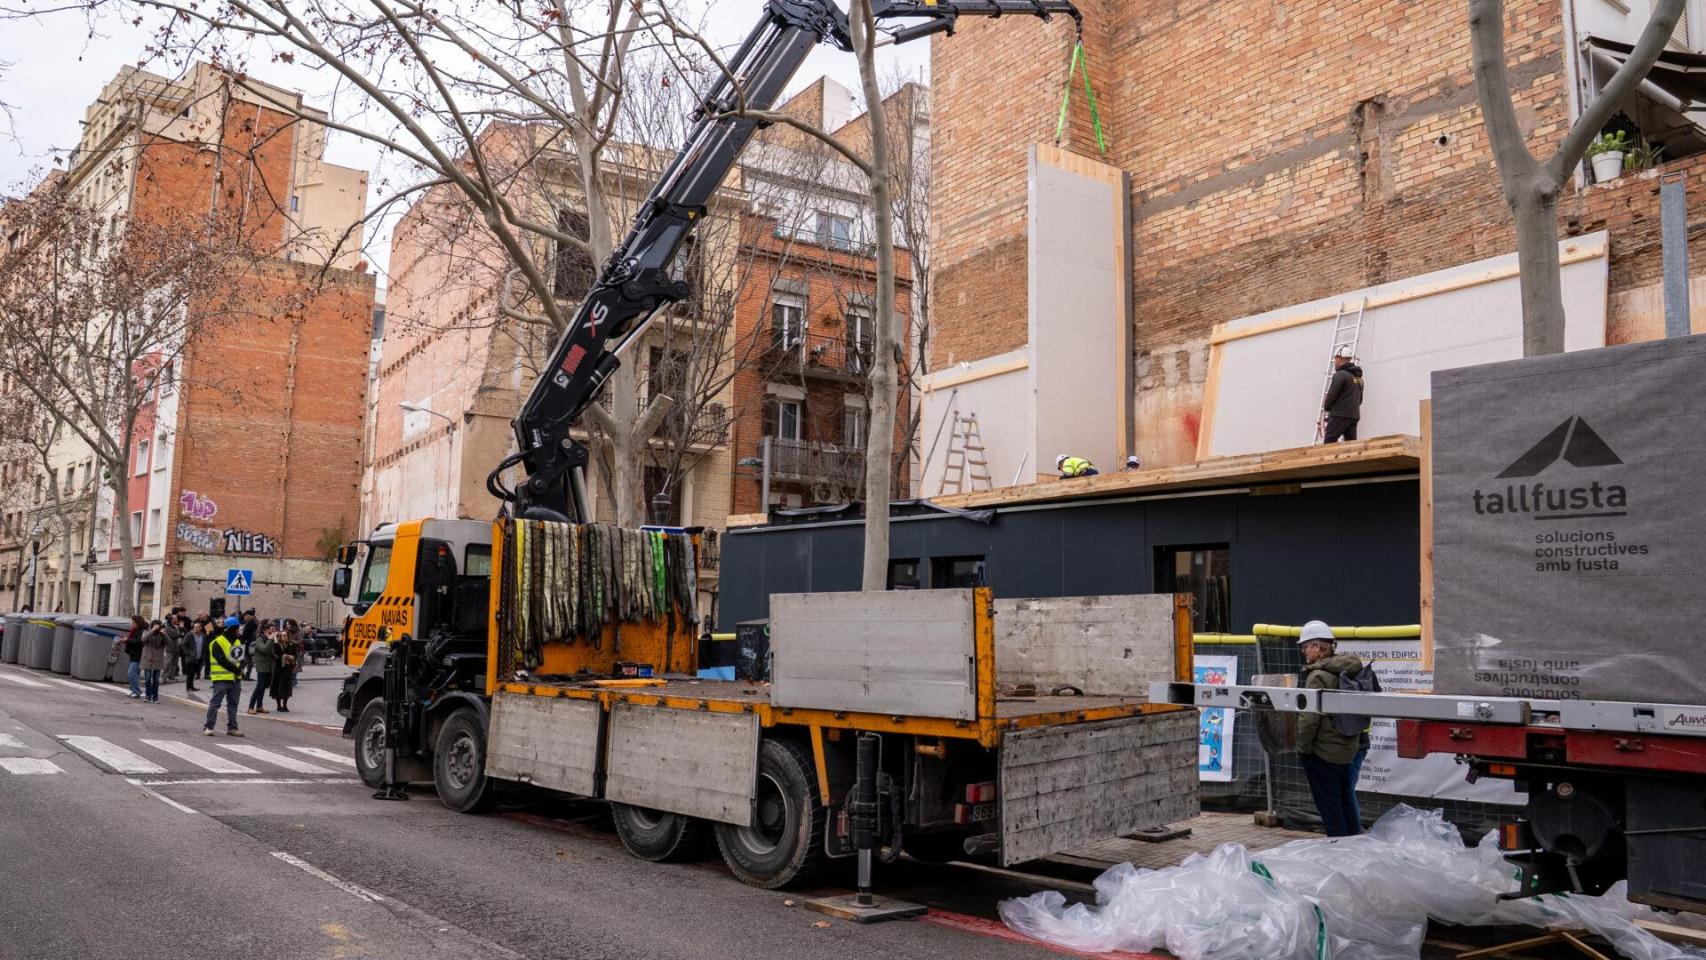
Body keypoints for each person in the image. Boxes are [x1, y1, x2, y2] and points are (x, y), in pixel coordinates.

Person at [1295, 620, 1370, 837]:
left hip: (1323, 752)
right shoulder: (1347, 669)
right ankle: (1352, 843)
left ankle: (1338, 848)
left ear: (1318, 647)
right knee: (1345, 799)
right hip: (1346, 749)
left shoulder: (1318, 676)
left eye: (1306, 646)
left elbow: (1309, 720)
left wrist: (1304, 747)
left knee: (1329, 806)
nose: (1303, 651)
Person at [202, 616, 246, 737]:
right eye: (238, 628)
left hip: (235, 679)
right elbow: (222, 660)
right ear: (232, 629)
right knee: (215, 704)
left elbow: (238, 659)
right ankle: (208, 726)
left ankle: (232, 728)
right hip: (221, 679)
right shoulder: (217, 642)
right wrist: (237, 669)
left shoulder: (237, 642)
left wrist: (242, 664)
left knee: (233, 704)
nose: (239, 631)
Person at [1321, 346, 1364, 443]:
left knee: (1329, 442)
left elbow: (1332, 395)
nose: (1334, 361)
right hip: (1354, 416)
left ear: (1340, 359)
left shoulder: (1340, 375)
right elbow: (1360, 400)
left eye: (1335, 359)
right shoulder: (1359, 379)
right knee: (1351, 445)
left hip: (1339, 415)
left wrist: (1327, 407)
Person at [247, 622, 279, 715]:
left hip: (269, 666)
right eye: (271, 630)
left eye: (274, 630)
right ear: (265, 630)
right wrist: (270, 640)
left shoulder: (272, 639)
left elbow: (273, 651)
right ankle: (250, 707)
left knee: (264, 687)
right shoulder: (260, 638)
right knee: (259, 686)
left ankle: (259, 706)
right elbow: (264, 650)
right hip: (262, 666)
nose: (273, 632)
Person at [272, 620, 301, 713]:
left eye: (285, 635)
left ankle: (285, 704)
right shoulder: (276, 645)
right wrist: (284, 657)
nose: (284, 637)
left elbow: (295, 654)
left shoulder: (290, 645)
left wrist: (292, 658)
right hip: (279, 668)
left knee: (287, 687)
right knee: (278, 687)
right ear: (279, 636)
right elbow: (275, 655)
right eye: (282, 635)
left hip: (288, 669)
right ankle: (278, 705)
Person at [139, 619, 167, 704]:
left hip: (158, 660)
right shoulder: (147, 632)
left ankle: (155, 697)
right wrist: (152, 630)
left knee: (156, 680)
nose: (157, 628)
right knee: (147, 679)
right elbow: (143, 639)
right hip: (148, 659)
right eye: (155, 626)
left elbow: (168, 642)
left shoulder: (161, 634)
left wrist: (164, 634)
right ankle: (148, 696)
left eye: (158, 626)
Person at [123, 615, 147, 699]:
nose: (132, 624)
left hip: (138, 654)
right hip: (133, 654)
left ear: (138, 623)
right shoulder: (135, 630)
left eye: (133, 622)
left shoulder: (142, 631)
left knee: (131, 673)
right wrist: (126, 640)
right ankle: (133, 690)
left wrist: (127, 640)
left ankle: (137, 691)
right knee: (134, 673)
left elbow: (139, 642)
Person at [182, 617, 206, 693]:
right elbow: (183, 644)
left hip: (199, 657)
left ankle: (192, 687)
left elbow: (204, 646)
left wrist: (203, 655)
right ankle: (188, 687)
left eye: (197, 627)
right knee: (190, 673)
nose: (195, 628)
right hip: (191, 658)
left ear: (201, 628)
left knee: (194, 673)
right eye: (194, 627)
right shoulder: (189, 635)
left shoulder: (203, 636)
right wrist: (188, 653)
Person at [161, 615, 183, 684]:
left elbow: (180, 634)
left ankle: (171, 675)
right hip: (170, 647)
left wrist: (180, 632)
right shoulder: (167, 627)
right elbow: (173, 635)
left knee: (174, 663)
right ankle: (164, 676)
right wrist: (180, 633)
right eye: (175, 619)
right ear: (171, 620)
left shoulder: (175, 627)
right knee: (168, 662)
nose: (177, 620)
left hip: (176, 647)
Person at [239, 611, 259, 680]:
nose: (244, 618)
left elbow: (251, 635)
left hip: (248, 644)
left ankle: (246, 674)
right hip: (246, 644)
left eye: (245, 616)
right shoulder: (249, 623)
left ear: (249, 617)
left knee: (247, 660)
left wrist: (246, 640)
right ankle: (243, 674)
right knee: (245, 660)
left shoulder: (252, 624)